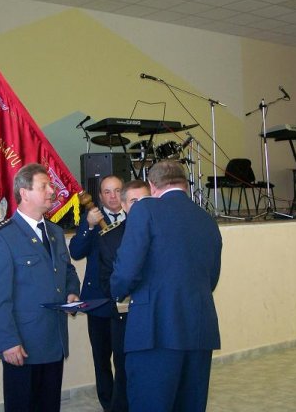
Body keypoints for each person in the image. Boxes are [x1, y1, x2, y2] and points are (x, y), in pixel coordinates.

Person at [111, 160, 222, 412]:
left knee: (150, 403)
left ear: (152, 186)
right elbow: (212, 277)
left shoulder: (145, 210)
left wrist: (117, 291)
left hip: (155, 330)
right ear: (185, 184)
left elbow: (127, 270)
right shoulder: (206, 218)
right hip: (199, 329)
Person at [0, 163, 80, 412]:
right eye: (44, 186)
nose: (52, 191)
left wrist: (72, 292)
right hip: (23, 345)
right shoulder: (3, 236)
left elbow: (67, 271)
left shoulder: (55, 232)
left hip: (54, 340)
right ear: (24, 193)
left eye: (50, 186)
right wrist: (7, 341)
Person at [69, 174, 124, 411]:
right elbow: (76, 252)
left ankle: (124, 402)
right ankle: (108, 404)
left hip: (126, 301)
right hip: (98, 300)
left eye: (117, 190)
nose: (113, 196)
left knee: (124, 358)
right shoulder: (91, 218)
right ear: (100, 196)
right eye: (107, 192)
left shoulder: (134, 217)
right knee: (101, 359)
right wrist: (89, 225)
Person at [97, 179, 151, 412]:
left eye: (144, 200)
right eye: (133, 201)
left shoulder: (167, 231)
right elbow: (108, 283)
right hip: (126, 319)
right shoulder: (110, 237)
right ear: (124, 205)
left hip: (159, 317)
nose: (139, 206)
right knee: (125, 377)